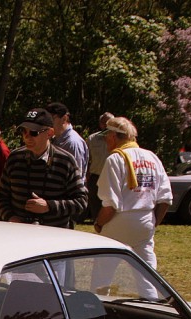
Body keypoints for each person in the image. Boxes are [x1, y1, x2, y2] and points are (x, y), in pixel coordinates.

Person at [92, 116, 172, 297]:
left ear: (113, 136)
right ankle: (153, 309)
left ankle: (98, 308)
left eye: (107, 136)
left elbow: (110, 205)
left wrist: (98, 224)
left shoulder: (115, 159)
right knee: (147, 276)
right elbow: (165, 198)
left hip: (118, 221)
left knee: (102, 275)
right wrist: (152, 223)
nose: (105, 140)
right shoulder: (152, 157)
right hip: (145, 219)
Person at [0, 107, 87, 229]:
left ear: (49, 133)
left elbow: (81, 201)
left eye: (34, 132)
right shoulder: (14, 158)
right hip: (19, 234)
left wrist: (49, 206)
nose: (27, 137)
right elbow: (1, 195)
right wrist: (10, 217)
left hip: (54, 237)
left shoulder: (66, 161)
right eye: (24, 131)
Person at [46, 101, 89, 175]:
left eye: (51, 118)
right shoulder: (55, 139)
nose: (47, 123)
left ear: (64, 119)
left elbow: (77, 175)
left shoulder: (73, 143)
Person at [86, 112, 113, 221]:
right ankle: (97, 223)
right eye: (104, 123)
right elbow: (86, 159)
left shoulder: (117, 138)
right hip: (95, 177)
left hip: (111, 177)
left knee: (110, 203)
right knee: (95, 204)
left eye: (110, 122)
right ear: (100, 124)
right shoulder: (92, 139)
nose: (107, 125)